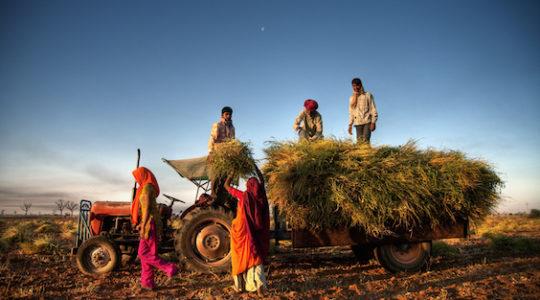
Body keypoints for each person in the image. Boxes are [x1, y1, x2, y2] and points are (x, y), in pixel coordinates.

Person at [131, 167, 179, 291]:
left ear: (143, 175)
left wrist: (144, 224)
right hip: (150, 222)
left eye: (137, 177)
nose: (137, 180)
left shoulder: (147, 187)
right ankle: (148, 283)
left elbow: (147, 208)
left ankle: (170, 268)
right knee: (147, 255)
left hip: (150, 223)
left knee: (142, 253)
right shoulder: (147, 187)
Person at [224, 167, 270, 295]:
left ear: (248, 186)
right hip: (255, 232)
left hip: (241, 231)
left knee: (240, 257)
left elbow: (226, 185)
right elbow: (262, 180)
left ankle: (240, 286)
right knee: (255, 257)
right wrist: (255, 167)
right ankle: (258, 284)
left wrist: (232, 171)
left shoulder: (243, 195)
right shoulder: (261, 196)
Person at [208, 106, 236, 202]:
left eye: (230, 114)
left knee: (225, 176)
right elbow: (212, 139)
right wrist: (211, 153)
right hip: (217, 154)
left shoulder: (232, 128)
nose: (228, 116)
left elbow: (233, 142)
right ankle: (213, 195)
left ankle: (222, 195)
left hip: (227, 157)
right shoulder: (217, 125)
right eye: (226, 114)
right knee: (216, 175)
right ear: (222, 115)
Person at [347, 78, 378, 143]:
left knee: (365, 140)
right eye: (353, 86)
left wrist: (373, 122)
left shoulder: (367, 95)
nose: (355, 88)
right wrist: (350, 125)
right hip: (357, 123)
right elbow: (351, 113)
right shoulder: (351, 98)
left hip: (367, 122)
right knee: (359, 143)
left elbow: (373, 109)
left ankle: (368, 152)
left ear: (360, 85)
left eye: (357, 85)